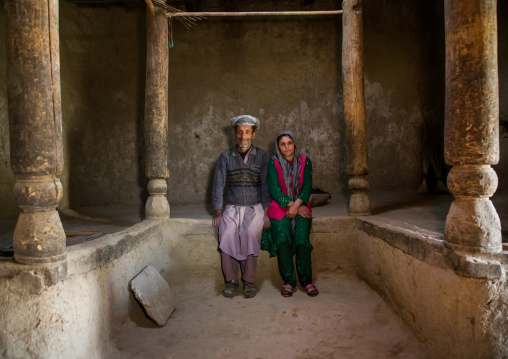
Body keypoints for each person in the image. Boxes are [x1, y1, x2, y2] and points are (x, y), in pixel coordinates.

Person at [212, 115, 271, 298]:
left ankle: (249, 281)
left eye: (247, 132)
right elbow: (218, 185)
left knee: (250, 234)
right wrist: (219, 213)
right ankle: (231, 280)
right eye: (239, 132)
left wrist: (266, 214)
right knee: (227, 232)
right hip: (232, 206)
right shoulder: (226, 156)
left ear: (253, 134)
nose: (243, 136)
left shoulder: (262, 156)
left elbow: (266, 185)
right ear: (235, 134)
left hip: (255, 207)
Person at [262, 130, 318, 297]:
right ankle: (288, 281)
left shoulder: (305, 162)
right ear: (278, 147)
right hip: (280, 206)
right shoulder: (274, 164)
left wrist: (298, 205)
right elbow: (274, 189)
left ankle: (306, 280)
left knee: (302, 238)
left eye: (289, 143)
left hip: (301, 204)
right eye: (282, 144)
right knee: (282, 237)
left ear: (294, 144)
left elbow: (307, 187)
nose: (287, 147)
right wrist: (291, 206)